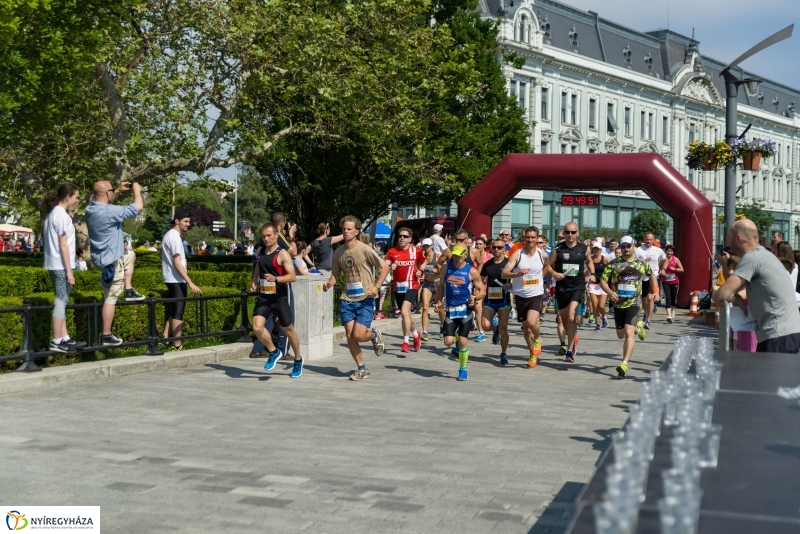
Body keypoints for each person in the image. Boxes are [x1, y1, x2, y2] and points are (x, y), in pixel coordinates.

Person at [713, 219, 800, 353]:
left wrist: (720, 295)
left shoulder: (752, 258)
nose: (727, 242)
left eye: (728, 237)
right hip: (787, 332)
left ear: (738, 238)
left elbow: (722, 294)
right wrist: (736, 297)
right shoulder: (765, 255)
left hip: (776, 335)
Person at [323, 215, 388, 380]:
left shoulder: (365, 249)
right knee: (349, 334)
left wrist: (376, 287)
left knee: (358, 335)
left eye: (349, 229)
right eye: (344, 229)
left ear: (357, 231)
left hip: (365, 298)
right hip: (347, 298)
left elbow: (385, 267)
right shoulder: (338, 252)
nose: (345, 231)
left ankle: (374, 335)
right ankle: (361, 368)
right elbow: (335, 275)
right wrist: (329, 284)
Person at [84, 180, 146, 346]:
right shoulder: (110, 211)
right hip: (111, 260)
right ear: (106, 193)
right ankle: (106, 336)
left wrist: (117, 190)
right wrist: (137, 191)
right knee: (110, 297)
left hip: (101, 256)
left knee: (130, 255)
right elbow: (138, 207)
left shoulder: (90, 209)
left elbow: (106, 202)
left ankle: (129, 290)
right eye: (111, 190)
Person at [598, 236, 654, 377]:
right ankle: (638, 327)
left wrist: (656, 291)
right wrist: (610, 292)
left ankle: (624, 363)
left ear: (633, 246)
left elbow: (652, 275)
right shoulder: (613, 264)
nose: (626, 249)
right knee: (620, 335)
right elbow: (602, 281)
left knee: (629, 333)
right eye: (623, 246)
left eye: (628, 246)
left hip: (634, 302)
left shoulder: (641, 263)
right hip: (619, 303)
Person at [42, 183, 85, 353]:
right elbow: (63, 245)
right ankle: (57, 340)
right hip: (60, 264)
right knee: (61, 300)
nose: (77, 200)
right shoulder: (61, 215)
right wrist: (69, 270)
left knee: (62, 300)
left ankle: (64, 337)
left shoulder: (53, 214)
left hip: (55, 263)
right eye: (76, 197)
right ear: (68, 196)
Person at [434, 245, 485, 381]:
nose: (456, 259)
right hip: (451, 309)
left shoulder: (472, 271)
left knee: (463, 342)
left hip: (465, 309)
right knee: (448, 342)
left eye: (459, 256)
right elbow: (441, 286)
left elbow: (482, 291)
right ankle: (456, 335)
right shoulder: (446, 268)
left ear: (465, 256)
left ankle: (463, 369)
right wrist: (438, 301)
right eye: (454, 256)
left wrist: (475, 297)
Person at [546, 222, 594, 362]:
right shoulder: (557, 249)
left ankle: (569, 350)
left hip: (577, 286)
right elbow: (547, 266)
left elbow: (589, 261)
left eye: (573, 232)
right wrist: (555, 273)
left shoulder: (584, 248)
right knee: (565, 320)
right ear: (564, 233)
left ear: (577, 233)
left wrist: (592, 274)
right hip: (562, 288)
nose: (570, 235)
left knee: (572, 316)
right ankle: (573, 338)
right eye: (567, 232)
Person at [503, 226, 547, 367]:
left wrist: (544, 279)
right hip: (520, 294)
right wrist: (517, 274)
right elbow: (504, 273)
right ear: (524, 238)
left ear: (537, 238)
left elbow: (549, 266)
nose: (530, 240)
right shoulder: (517, 254)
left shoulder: (542, 254)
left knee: (531, 323)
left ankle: (538, 338)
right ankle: (532, 355)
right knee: (526, 329)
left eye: (533, 237)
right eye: (527, 237)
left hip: (536, 293)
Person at [161, 209, 202, 350]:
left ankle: (165, 338)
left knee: (175, 311)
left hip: (172, 278)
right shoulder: (174, 237)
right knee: (178, 313)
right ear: (177, 221)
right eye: (186, 221)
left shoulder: (170, 235)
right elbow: (177, 263)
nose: (188, 224)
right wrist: (190, 283)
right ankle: (177, 344)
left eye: (189, 221)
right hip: (176, 279)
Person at [385, 226, 427, 352]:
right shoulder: (392, 251)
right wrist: (390, 267)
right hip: (398, 286)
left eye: (405, 236)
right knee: (406, 314)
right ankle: (416, 335)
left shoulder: (416, 251)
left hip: (412, 285)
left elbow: (424, 261)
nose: (402, 238)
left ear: (410, 239)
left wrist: (420, 270)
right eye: (400, 236)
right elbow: (384, 266)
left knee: (404, 312)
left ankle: (405, 342)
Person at [480, 239, 512, 363]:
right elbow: (480, 280)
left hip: (504, 300)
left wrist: (511, 286)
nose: (496, 249)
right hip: (490, 299)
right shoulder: (487, 264)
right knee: (485, 326)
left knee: (504, 328)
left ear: (504, 249)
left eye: (499, 247)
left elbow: (518, 279)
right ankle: (495, 330)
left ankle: (503, 353)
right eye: (494, 247)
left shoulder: (509, 263)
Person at [634, 232, 665, 329]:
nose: (648, 241)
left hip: (653, 276)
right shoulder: (638, 250)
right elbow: (633, 262)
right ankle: (647, 313)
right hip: (641, 277)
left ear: (653, 240)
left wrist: (662, 268)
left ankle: (648, 320)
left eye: (650, 239)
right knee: (643, 300)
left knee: (650, 298)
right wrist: (643, 261)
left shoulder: (658, 250)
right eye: (647, 239)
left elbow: (665, 260)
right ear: (644, 239)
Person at [419, 238, 443, 342]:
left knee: (440, 308)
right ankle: (424, 331)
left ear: (432, 246)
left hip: (437, 283)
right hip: (427, 283)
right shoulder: (422, 258)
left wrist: (437, 270)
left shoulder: (438, 256)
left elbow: (444, 270)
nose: (425, 248)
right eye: (424, 246)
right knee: (425, 307)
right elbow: (419, 269)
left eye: (427, 246)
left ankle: (442, 325)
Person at [587, 240, 609, 332]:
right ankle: (598, 324)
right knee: (595, 305)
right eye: (594, 249)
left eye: (597, 249)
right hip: (593, 285)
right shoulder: (590, 259)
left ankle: (603, 316)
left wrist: (608, 280)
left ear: (600, 250)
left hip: (603, 285)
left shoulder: (605, 259)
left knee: (601, 305)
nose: (596, 250)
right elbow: (585, 269)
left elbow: (611, 269)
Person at [659, 244, 684, 323]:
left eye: (671, 251)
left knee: (673, 300)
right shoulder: (663, 259)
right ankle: (669, 316)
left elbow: (682, 269)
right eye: (668, 251)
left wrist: (675, 269)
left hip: (674, 281)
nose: (669, 253)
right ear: (665, 251)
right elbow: (658, 268)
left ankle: (672, 309)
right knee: (667, 298)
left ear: (673, 252)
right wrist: (661, 271)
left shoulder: (675, 259)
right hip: (665, 281)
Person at [472, 237, 491, 342]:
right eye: (477, 244)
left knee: (487, 307)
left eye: (480, 244)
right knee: (478, 307)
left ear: (485, 245)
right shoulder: (473, 255)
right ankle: (481, 332)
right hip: (477, 285)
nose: (478, 246)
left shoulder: (489, 256)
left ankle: (493, 320)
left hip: (489, 285)